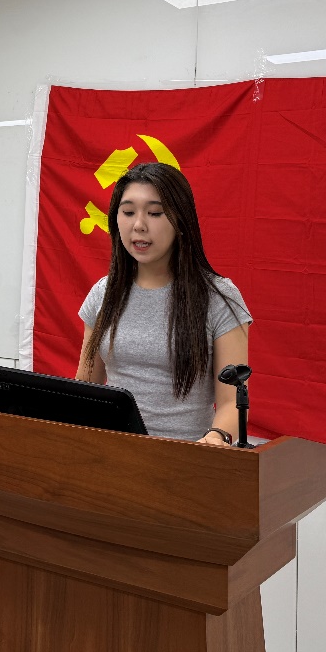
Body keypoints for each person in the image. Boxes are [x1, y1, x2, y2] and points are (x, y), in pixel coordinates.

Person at [76, 162, 252, 445]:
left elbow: (232, 402)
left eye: (155, 213)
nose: (139, 225)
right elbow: (85, 389)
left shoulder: (219, 297)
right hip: (112, 452)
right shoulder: (103, 293)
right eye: (128, 212)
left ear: (180, 221)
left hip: (185, 456)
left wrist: (216, 437)